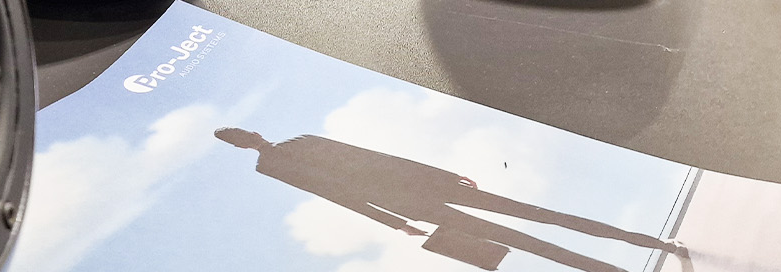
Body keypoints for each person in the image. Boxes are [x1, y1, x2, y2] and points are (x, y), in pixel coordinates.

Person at [216, 129, 686, 272]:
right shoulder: (271, 167)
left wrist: (445, 174)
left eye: (245, 132)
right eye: (240, 138)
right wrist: (394, 223)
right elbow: (335, 195)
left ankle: (655, 244)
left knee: (539, 215)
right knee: (518, 237)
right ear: (241, 145)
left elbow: (377, 152)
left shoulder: (303, 138)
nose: (250, 138)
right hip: (408, 205)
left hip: (429, 187)